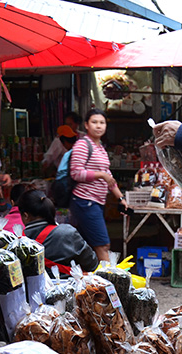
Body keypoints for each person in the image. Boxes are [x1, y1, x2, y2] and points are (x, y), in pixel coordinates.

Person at [69, 108, 127, 263]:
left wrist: (120, 197)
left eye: (102, 122)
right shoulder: (82, 145)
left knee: (85, 246)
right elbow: (76, 173)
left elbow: (109, 176)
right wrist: (100, 175)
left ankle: (86, 281)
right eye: (94, 122)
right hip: (84, 201)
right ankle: (112, 282)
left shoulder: (100, 147)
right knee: (103, 245)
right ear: (86, 125)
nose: (98, 126)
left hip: (95, 202)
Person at [17, 189, 99, 274]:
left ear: (25, 215)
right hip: (69, 285)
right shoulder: (67, 232)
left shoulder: (17, 241)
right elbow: (92, 264)